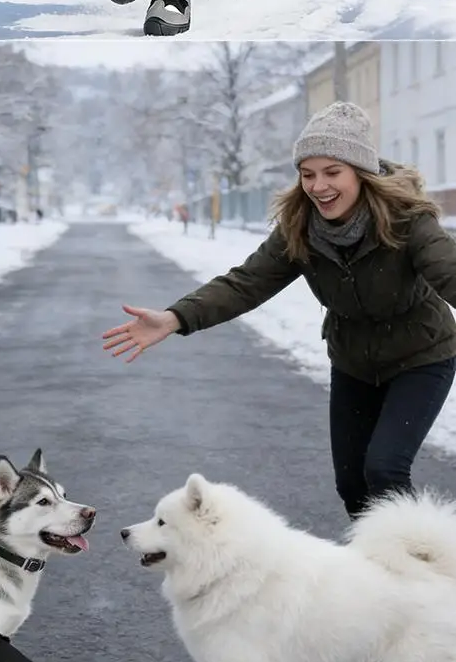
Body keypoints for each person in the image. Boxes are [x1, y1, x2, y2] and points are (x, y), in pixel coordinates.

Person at [103, 102, 456, 519]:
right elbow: (246, 282)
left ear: (360, 171)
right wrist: (175, 317)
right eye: (308, 174)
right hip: (354, 363)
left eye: (332, 172)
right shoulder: (300, 228)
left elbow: (445, 267)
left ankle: (422, 566)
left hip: (422, 357)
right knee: (352, 484)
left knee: (384, 469)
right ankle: (376, 574)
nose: (318, 186)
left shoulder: (407, 220)